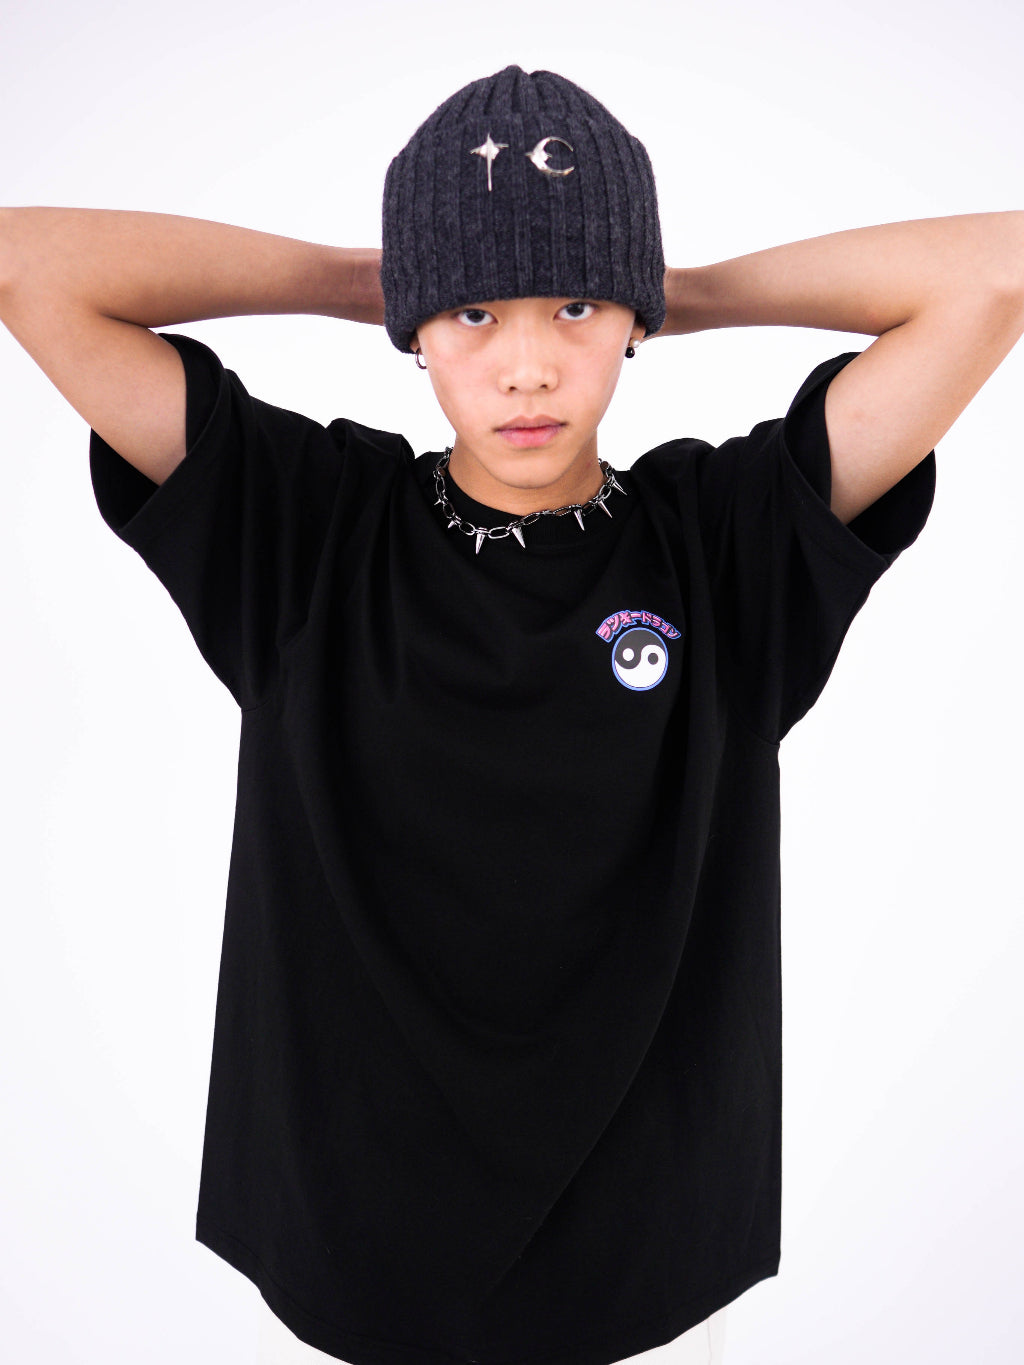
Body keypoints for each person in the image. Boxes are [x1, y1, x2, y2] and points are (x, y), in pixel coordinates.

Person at [1, 62, 1022, 1365]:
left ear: (631, 319)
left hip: (638, 1261)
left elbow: (998, 271)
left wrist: (672, 287)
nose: (529, 367)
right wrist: (373, 279)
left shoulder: (727, 545)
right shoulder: (305, 528)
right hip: (353, 1247)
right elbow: (24, 263)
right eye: (474, 312)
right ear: (416, 326)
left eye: (577, 306)